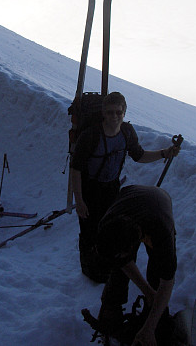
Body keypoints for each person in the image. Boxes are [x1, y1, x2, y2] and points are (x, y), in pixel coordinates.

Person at [70, 91, 179, 281]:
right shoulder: (90, 135)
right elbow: (76, 169)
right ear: (103, 112)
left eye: (118, 113)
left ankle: (107, 267)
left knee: (109, 230)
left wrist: (164, 153)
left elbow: (139, 155)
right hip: (90, 189)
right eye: (110, 112)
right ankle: (91, 271)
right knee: (89, 231)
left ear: (124, 112)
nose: (114, 116)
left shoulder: (127, 133)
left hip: (111, 188)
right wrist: (79, 200)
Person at [96, 184, 177, 346]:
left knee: (156, 274)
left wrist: (149, 328)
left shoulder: (161, 232)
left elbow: (167, 282)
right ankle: (110, 313)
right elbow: (122, 262)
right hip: (130, 196)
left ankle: (155, 323)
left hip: (159, 201)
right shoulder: (107, 228)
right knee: (118, 273)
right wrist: (146, 292)